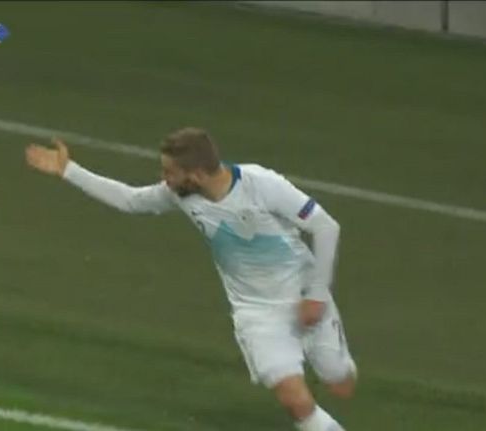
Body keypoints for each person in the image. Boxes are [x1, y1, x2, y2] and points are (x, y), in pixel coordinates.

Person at [25, 127, 356, 431]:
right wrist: (69, 171)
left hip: (304, 293)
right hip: (256, 312)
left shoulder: (261, 184)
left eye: (170, 172)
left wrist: (316, 294)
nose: (164, 179)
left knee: (339, 382)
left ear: (196, 175)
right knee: (296, 403)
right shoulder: (180, 193)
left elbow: (326, 226)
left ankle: (338, 367)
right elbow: (131, 200)